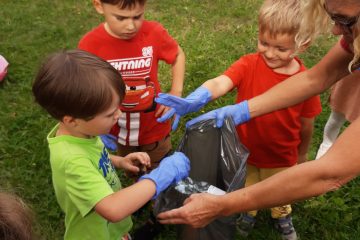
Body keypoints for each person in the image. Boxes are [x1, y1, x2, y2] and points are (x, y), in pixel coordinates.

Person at [155, 0, 360, 232]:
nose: (335, 30)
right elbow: (315, 79)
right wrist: (215, 101)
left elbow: (329, 173)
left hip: (280, 158)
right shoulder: (251, 64)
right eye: (334, 18)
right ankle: (248, 215)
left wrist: (223, 205)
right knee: (247, 184)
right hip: (249, 152)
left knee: (280, 194)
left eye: (345, 20)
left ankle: (280, 217)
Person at [31, 49, 190, 240]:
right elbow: (113, 209)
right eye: (110, 114)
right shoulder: (71, 161)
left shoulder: (80, 131)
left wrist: (119, 161)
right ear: (72, 120)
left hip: (109, 228)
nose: (119, 115)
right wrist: (162, 175)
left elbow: (93, 156)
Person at [78, 0, 185, 172]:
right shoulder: (90, 45)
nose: (130, 26)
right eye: (120, 18)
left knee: (158, 167)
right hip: (117, 127)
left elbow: (177, 54)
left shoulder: (153, 33)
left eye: (137, 16)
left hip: (154, 126)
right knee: (132, 168)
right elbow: (83, 85)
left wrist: (176, 92)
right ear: (99, 6)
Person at [315, 74, 360, 159]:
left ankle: (326, 148)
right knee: (336, 119)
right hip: (352, 77)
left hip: (352, 76)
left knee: (335, 120)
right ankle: (325, 147)